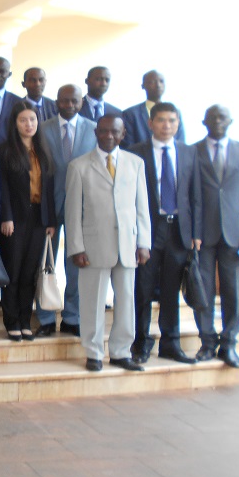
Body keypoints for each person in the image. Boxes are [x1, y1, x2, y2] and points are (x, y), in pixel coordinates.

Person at [65, 114, 150, 372]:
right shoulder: (79, 166)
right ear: (96, 133)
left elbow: (141, 206)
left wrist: (143, 242)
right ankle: (93, 352)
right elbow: (72, 212)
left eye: (114, 131)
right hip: (93, 246)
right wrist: (76, 247)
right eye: (103, 131)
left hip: (127, 245)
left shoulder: (136, 164)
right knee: (92, 302)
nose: (108, 136)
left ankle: (121, 351)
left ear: (123, 134)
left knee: (126, 301)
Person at [127, 102, 202, 365]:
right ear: (151, 123)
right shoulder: (136, 153)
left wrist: (196, 232)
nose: (166, 125)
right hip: (148, 229)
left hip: (179, 231)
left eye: (172, 120)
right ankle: (140, 343)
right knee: (143, 289)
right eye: (161, 120)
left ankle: (171, 343)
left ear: (178, 124)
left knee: (171, 290)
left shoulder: (189, 152)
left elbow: (196, 195)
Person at [193, 105, 239, 368]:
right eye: (212, 117)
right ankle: (207, 343)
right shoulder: (193, 151)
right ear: (204, 121)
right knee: (203, 291)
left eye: (222, 117)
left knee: (234, 292)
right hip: (202, 235)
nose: (217, 121)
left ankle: (230, 343)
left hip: (237, 235)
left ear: (230, 121)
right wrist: (191, 233)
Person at [35, 84, 96, 338]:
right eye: (64, 101)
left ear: (81, 102)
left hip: (82, 208)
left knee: (76, 264)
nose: (69, 105)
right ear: (56, 101)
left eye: (74, 101)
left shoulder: (94, 130)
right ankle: (46, 317)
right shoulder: (43, 128)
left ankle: (72, 316)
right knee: (45, 262)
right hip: (49, 205)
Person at [0, 102, 56, 341]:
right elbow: (1, 188)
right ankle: (11, 321)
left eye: (32, 119)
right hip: (14, 220)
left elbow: (49, 189)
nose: (29, 124)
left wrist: (50, 221)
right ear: (15, 123)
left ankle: (24, 321)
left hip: (39, 220)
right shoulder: (4, 151)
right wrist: (6, 217)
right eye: (23, 120)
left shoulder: (43, 150)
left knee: (31, 272)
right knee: (13, 270)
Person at [122, 70, 185, 147]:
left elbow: (181, 143)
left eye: (161, 81)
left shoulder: (175, 112)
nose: (158, 85)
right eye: (152, 82)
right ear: (143, 86)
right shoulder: (131, 114)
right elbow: (128, 146)